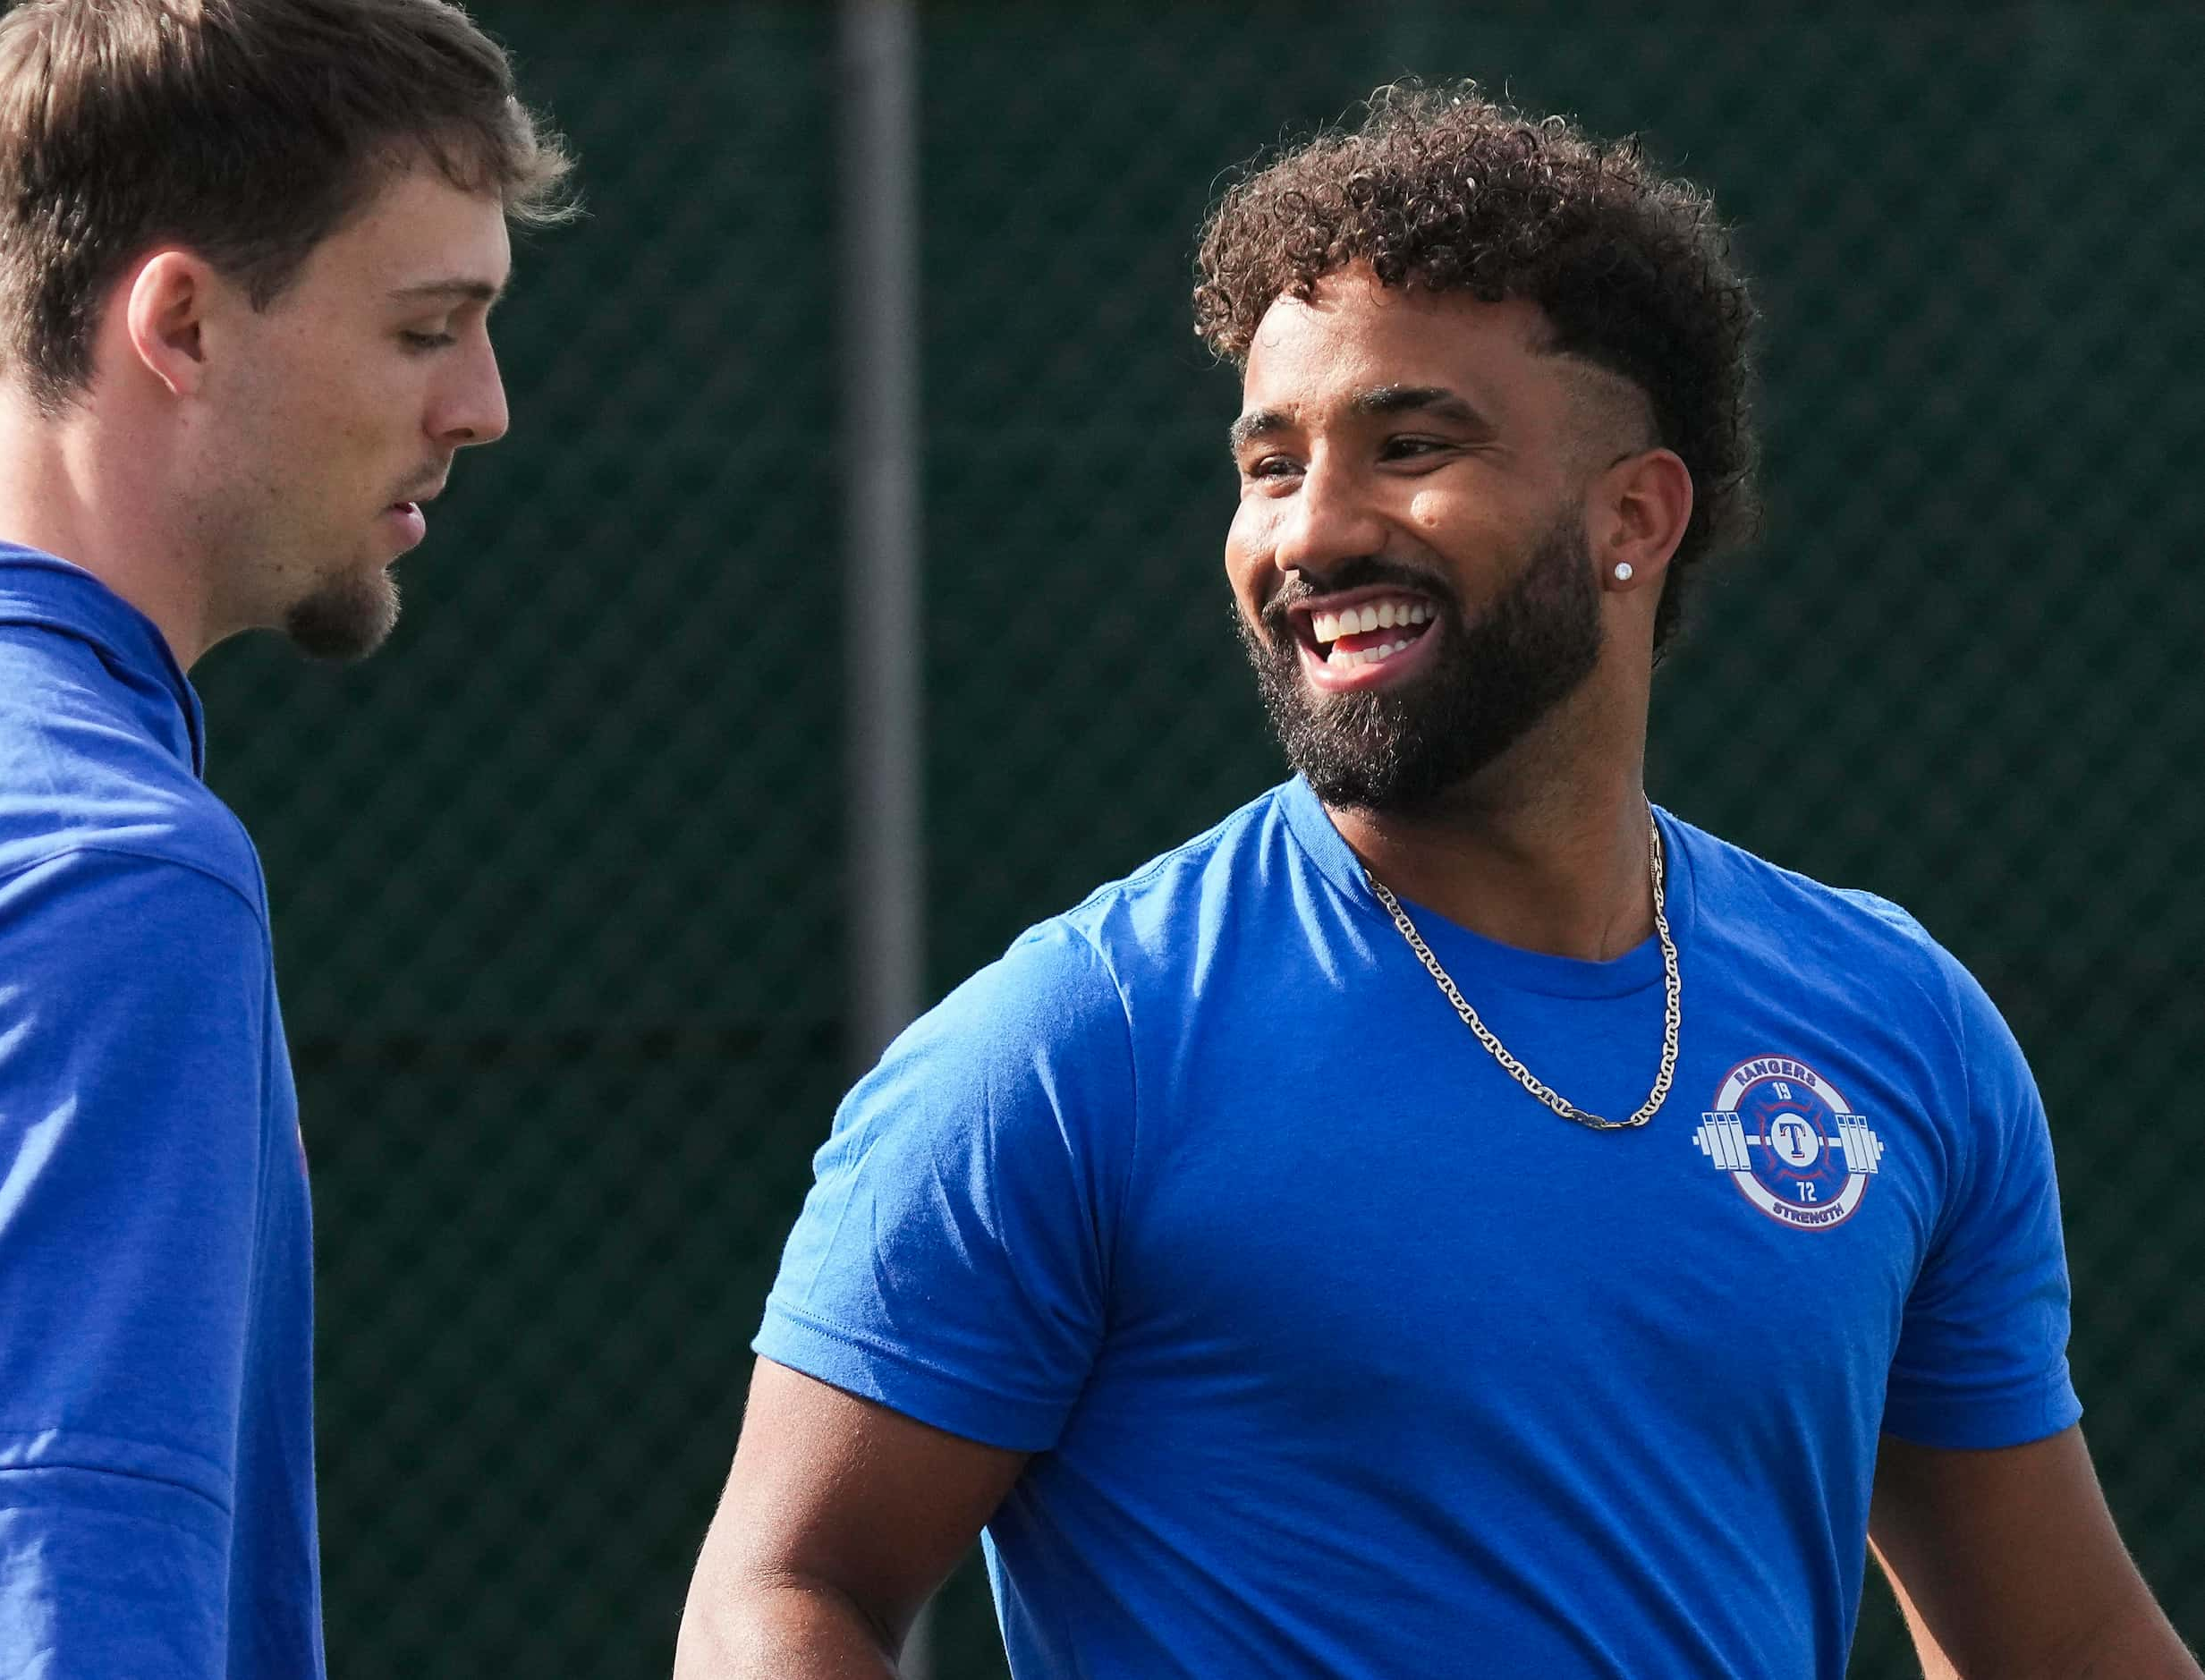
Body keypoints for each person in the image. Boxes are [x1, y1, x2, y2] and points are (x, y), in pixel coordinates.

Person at [678, 87, 2199, 1679]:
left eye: (1409, 447)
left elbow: (2062, 1641)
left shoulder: (1898, 1026)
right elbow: (779, 1595)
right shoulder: (1076, 1047)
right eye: (1269, 467)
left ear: (1633, 516)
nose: (1312, 532)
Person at [0, 2, 568, 1674]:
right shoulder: (88, 882)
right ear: (181, 320)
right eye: (425, 326)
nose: (483, 404)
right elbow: (32, 1614)